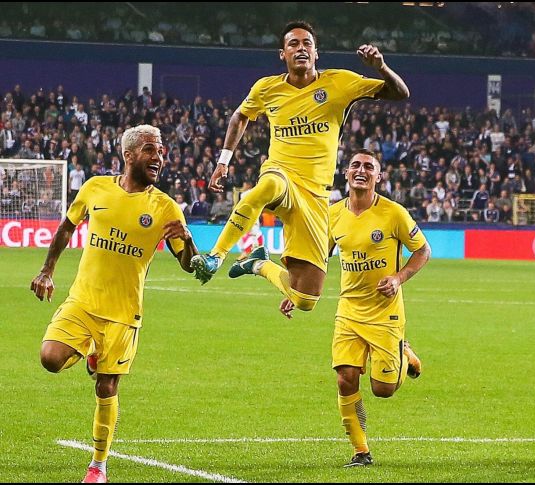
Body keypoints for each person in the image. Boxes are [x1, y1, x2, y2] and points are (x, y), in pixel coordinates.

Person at [192, 20, 409, 317]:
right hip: (281, 174)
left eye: (307, 43)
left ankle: (257, 263)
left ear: (316, 53)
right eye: (293, 44)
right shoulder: (267, 88)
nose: (301, 48)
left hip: (316, 196)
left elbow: (400, 93)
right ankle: (216, 256)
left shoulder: (339, 83)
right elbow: (240, 117)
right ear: (283, 54)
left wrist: (381, 67)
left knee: (307, 298)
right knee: (267, 186)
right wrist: (223, 162)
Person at [30, 125, 198, 483]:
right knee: (50, 358)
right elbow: (66, 228)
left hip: (124, 313)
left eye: (163, 151)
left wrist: (189, 240)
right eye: (151, 150)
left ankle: (98, 466)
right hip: (83, 300)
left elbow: (189, 264)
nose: (160, 157)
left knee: (106, 386)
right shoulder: (95, 188)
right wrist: (47, 270)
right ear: (129, 155)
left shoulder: (165, 207)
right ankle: (87, 349)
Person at [278, 150, 431, 467]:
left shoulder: (394, 214)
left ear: (379, 176)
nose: (361, 170)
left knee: (383, 390)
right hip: (348, 310)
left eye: (369, 167)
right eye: (356, 166)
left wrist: (399, 277)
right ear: (346, 174)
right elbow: (318, 261)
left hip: (384, 311)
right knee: (345, 378)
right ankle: (361, 452)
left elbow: (423, 250)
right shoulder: (332, 216)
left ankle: (404, 353)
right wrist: (297, 293)